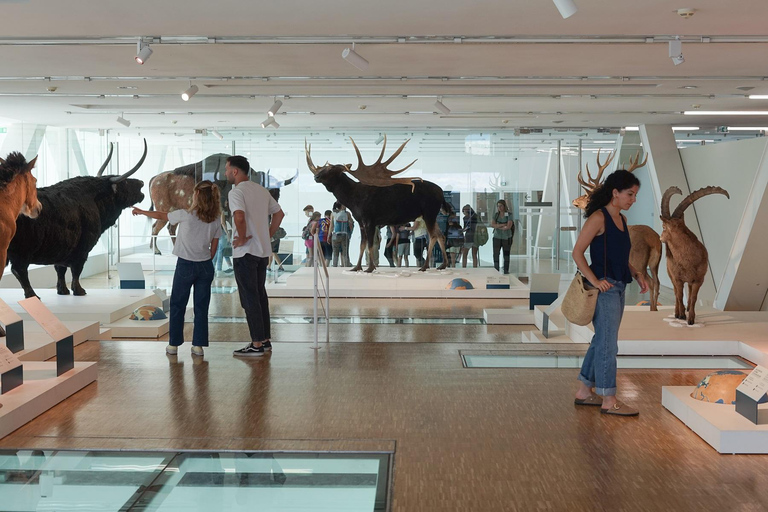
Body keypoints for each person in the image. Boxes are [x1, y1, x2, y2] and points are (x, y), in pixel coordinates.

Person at [572, 170, 647, 416]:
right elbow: (577, 253)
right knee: (608, 344)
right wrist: (595, 280)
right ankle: (608, 398)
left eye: (635, 195)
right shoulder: (598, 218)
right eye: (630, 194)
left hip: (620, 286)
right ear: (615, 193)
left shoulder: (622, 220)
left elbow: (620, 257)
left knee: (602, 340)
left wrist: (636, 273)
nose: (633, 199)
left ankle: (584, 390)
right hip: (604, 290)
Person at [132, 181, 221, 357]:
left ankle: (173, 345)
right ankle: (198, 346)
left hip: (185, 265)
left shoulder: (185, 215)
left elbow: (161, 215)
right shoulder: (216, 218)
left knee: (178, 305)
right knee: (201, 307)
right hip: (205, 266)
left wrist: (142, 212)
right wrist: (205, 258)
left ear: (197, 195)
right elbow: (214, 246)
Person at [225, 155, 285, 357]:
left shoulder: (236, 192)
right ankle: (265, 340)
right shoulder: (261, 190)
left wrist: (241, 238)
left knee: (249, 298)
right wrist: (266, 234)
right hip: (262, 253)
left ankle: (256, 344)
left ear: (235, 171)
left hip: (245, 253)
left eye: (227, 169)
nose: (225, 173)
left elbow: (239, 216)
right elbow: (279, 214)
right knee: (259, 296)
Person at [490, 200, 514, 274]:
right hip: (497, 237)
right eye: (498, 206)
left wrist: (498, 225)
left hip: (506, 237)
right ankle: (496, 269)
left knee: (506, 254)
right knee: (496, 253)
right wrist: (502, 225)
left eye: (501, 206)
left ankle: (506, 270)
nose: (499, 207)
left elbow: (508, 226)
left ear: (504, 206)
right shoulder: (496, 215)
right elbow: (492, 224)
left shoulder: (509, 214)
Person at [332, 202, 352, 267]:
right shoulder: (347, 214)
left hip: (335, 235)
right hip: (344, 234)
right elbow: (351, 223)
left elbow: (331, 226)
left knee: (335, 252)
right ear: (342, 206)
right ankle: (346, 265)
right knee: (345, 252)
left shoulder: (333, 214)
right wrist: (350, 232)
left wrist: (329, 235)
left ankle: (334, 266)